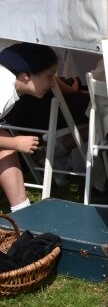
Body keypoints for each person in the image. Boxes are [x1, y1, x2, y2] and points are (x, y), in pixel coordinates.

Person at [0, 43, 58, 212]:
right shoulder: (3, 90)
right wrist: (16, 143)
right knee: (7, 144)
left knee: (5, 143)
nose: (54, 83)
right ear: (26, 75)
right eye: (50, 75)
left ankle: (23, 211)